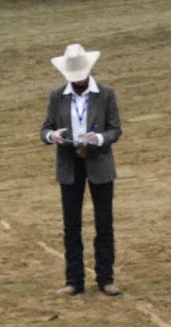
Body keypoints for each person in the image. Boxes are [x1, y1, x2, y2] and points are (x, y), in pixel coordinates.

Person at [40, 43, 123, 297]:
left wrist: (98, 139)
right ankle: (74, 280)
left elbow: (115, 130)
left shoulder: (106, 94)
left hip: (98, 161)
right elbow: (45, 129)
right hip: (69, 162)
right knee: (71, 225)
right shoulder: (57, 96)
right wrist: (52, 136)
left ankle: (105, 278)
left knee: (104, 223)